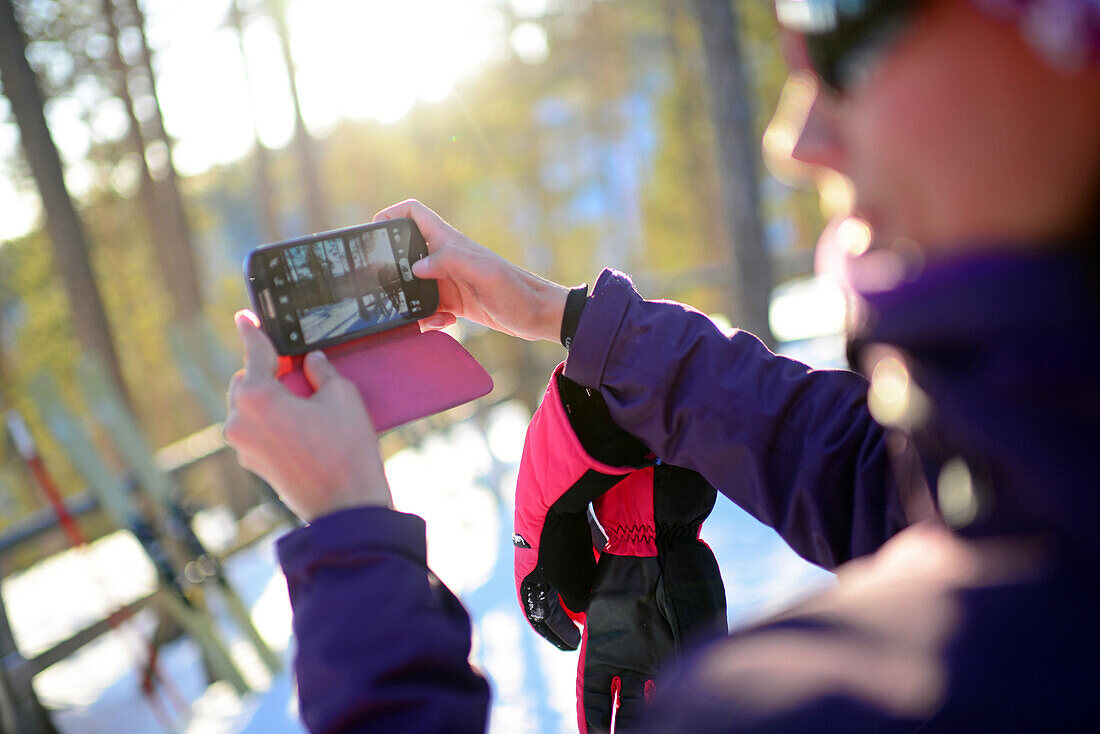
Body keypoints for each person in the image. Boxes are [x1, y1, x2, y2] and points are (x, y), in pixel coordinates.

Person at [223, 0, 1100, 730]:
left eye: (842, 24)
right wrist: (564, 317)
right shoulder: (1037, 469)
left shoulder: (841, 698)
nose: (796, 138)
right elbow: (874, 474)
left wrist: (348, 535)